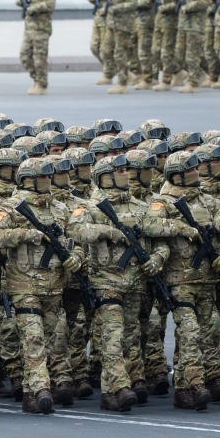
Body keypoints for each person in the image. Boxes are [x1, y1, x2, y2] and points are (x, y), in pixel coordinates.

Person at [0, 158, 83, 414]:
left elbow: (76, 238)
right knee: (34, 338)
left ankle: (30, 391)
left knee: (49, 340)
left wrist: (77, 258)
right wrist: (26, 234)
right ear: (28, 179)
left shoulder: (60, 209)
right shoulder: (11, 208)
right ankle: (41, 389)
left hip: (53, 288)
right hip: (24, 287)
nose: (48, 181)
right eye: (43, 177)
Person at [68, 155, 149, 411]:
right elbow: (77, 231)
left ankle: (123, 385)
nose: (127, 173)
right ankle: (119, 386)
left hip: (134, 282)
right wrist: (112, 232)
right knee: (112, 337)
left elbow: (156, 241)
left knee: (131, 336)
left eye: (127, 169)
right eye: (121, 170)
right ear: (105, 176)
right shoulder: (90, 207)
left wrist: (157, 258)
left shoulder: (139, 206)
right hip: (106, 282)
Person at [144, 151, 220, 410]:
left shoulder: (208, 200)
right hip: (180, 280)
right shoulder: (163, 202)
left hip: (206, 280)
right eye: (190, 170)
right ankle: (193, 385)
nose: (196, 173)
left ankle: (187, 383)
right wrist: (183, 228)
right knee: (189, 332)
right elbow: (150, 226)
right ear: (176, 175)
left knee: (206, 333)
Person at [173, 0, 212, 92]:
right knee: (179, 55)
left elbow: (205, 1)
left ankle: (193, 83)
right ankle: (200, 75)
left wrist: (188, 7)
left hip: (194, 25)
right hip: (183, 25)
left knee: (192, 56)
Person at [18, 0, 56, 95]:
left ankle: (42, 84)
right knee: (24, 55)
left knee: (39, 58)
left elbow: (50, 4)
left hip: (40, 27)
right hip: (30, 28)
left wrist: (33, 8)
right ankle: (36, 79)